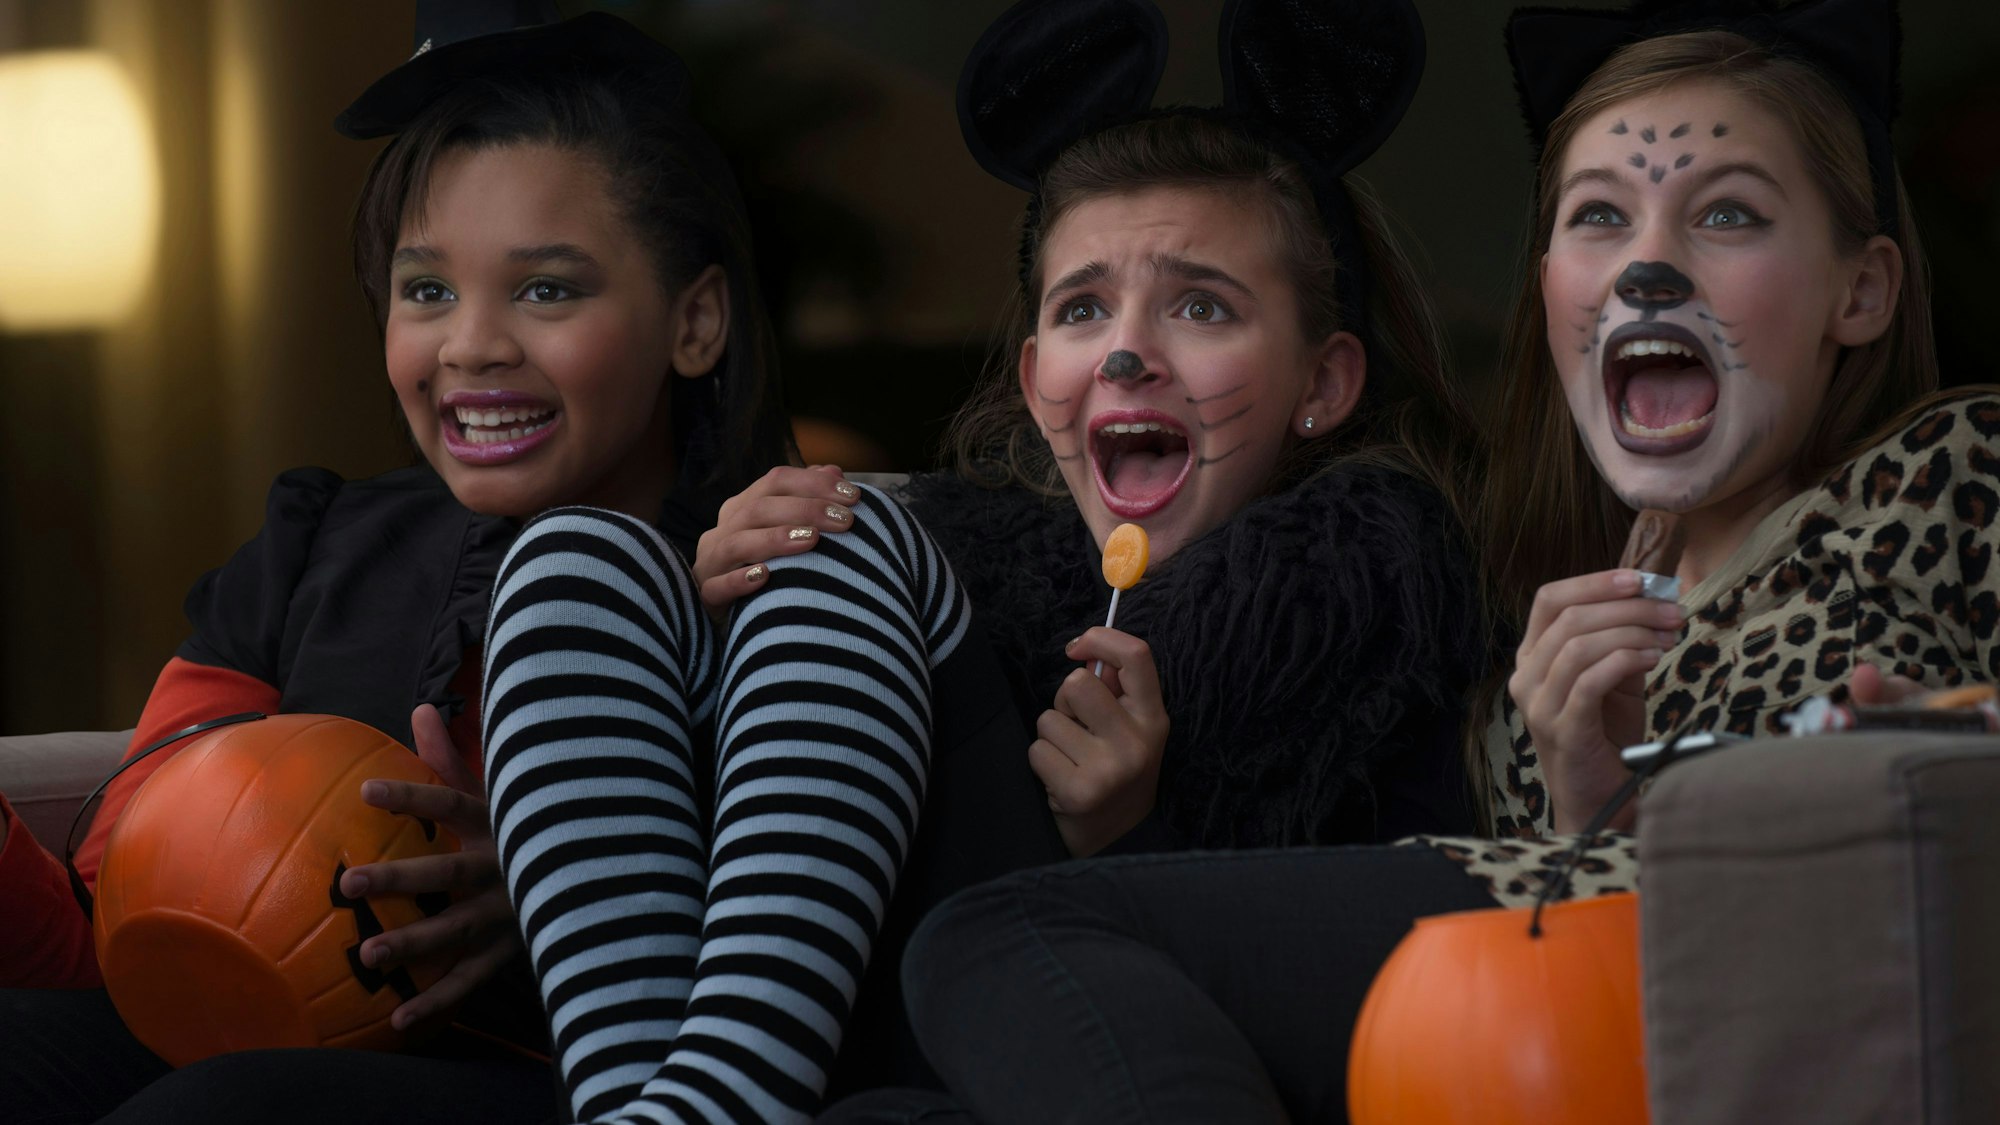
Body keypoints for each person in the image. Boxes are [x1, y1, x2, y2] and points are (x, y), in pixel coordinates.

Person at [873, 0, 1976, 1121]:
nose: (1645, 269)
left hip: (1759, 1003)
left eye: (1727, 215)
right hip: (1553, 1028)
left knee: (1009, 933)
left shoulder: (1953, 466)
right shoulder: (1525, 638)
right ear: (1546, 283)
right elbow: (1550, 966)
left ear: (1863, 290)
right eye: (1599, 217)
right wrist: (1592, 797)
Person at [474, 0, 1498, 1119]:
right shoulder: (952, 561)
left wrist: (1127, 836)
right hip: (806, 1032)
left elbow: (1359, 1010)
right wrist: (709, 630)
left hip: (1019, 1059)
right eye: (1082, 308)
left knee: (840, 527)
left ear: (1323, 384)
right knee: (578, 554)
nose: (1123, 352)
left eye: (1200, 306)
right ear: (1030, 378)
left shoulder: (1383, 619)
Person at [0, 7, 790, 1124]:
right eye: (427, 290)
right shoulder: (314, 548)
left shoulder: (768, 583)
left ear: (694, 321)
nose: (470, 345)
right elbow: (106, 926)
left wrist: (558, 895)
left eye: (546, 288)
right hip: (230, 1034)